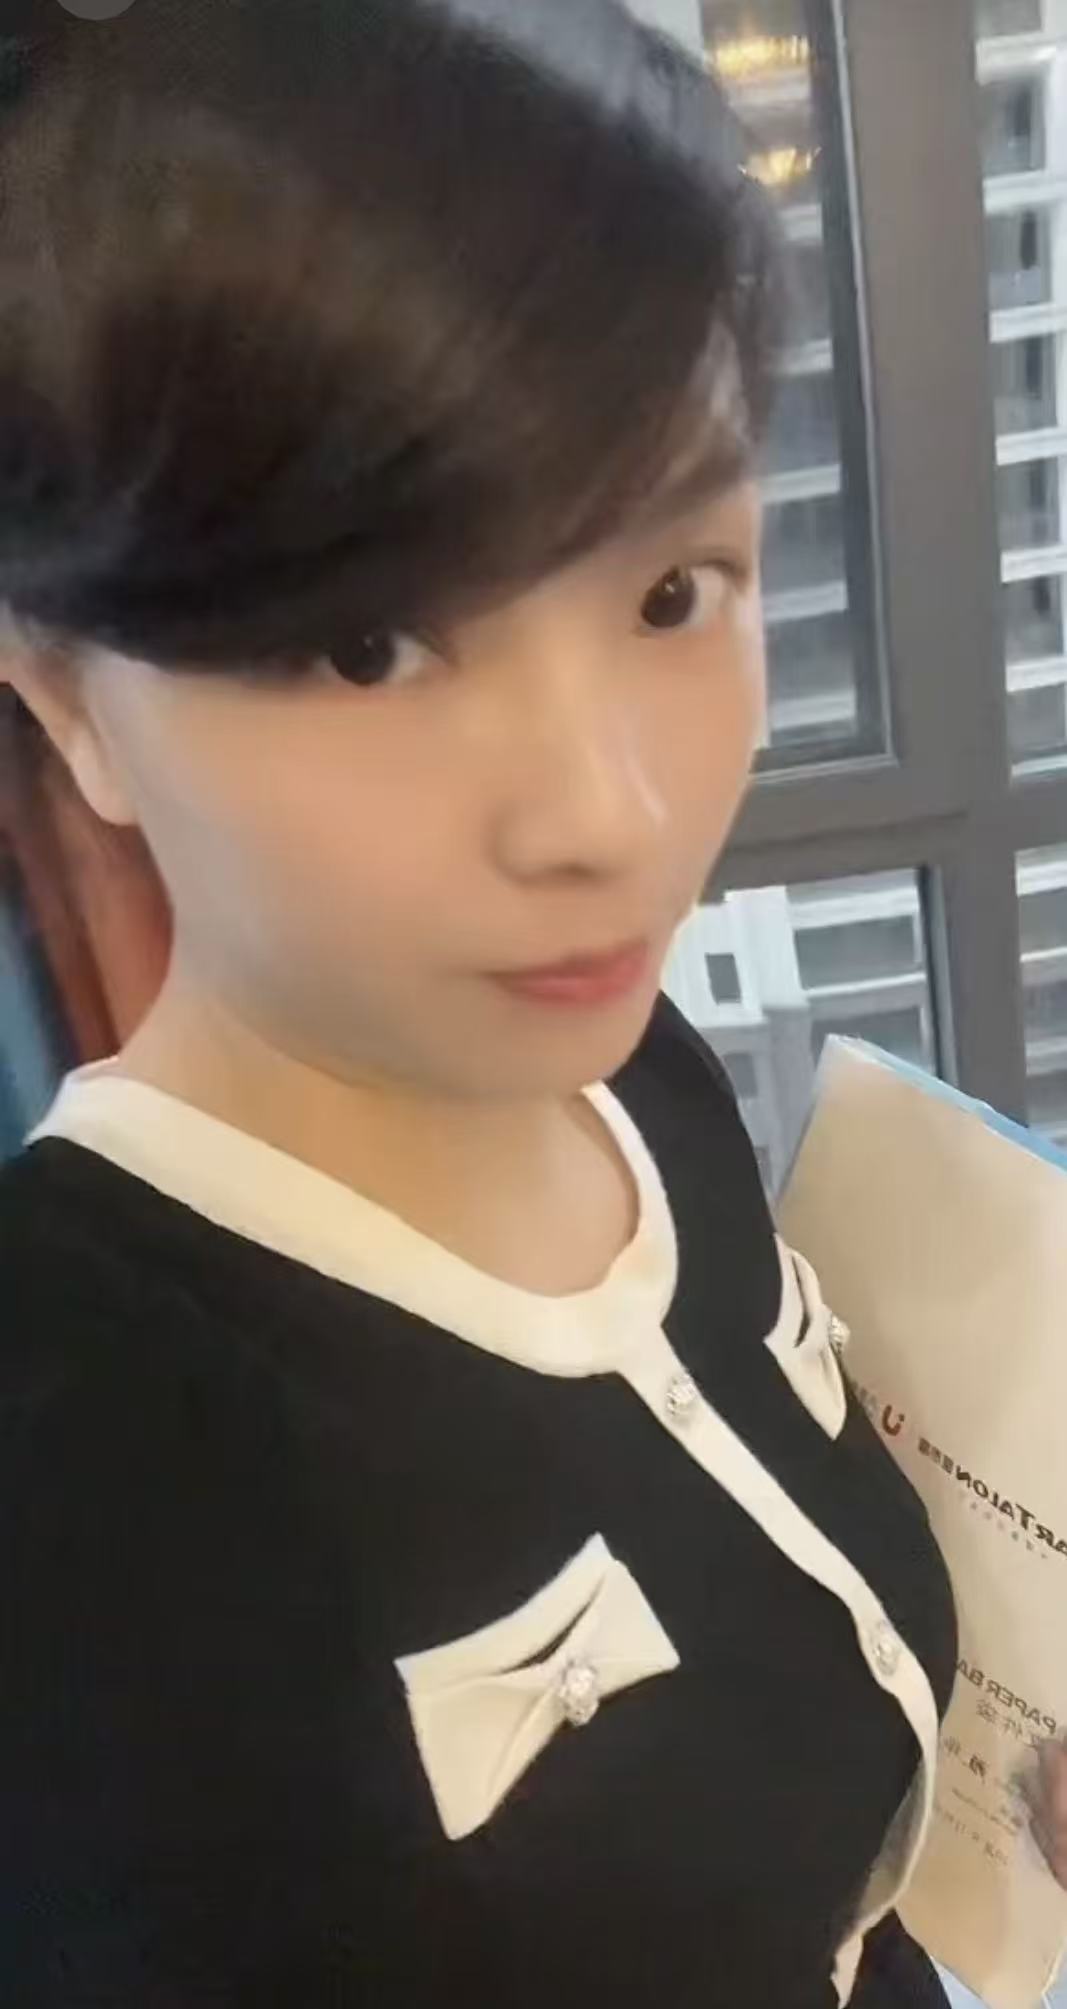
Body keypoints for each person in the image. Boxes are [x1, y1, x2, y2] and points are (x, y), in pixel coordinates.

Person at [1, 1, 1064, 2002]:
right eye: (370, 646)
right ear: (68, 699)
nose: (611, 817)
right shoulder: (85, 1513)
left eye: (672, 593)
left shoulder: (623, 1070)